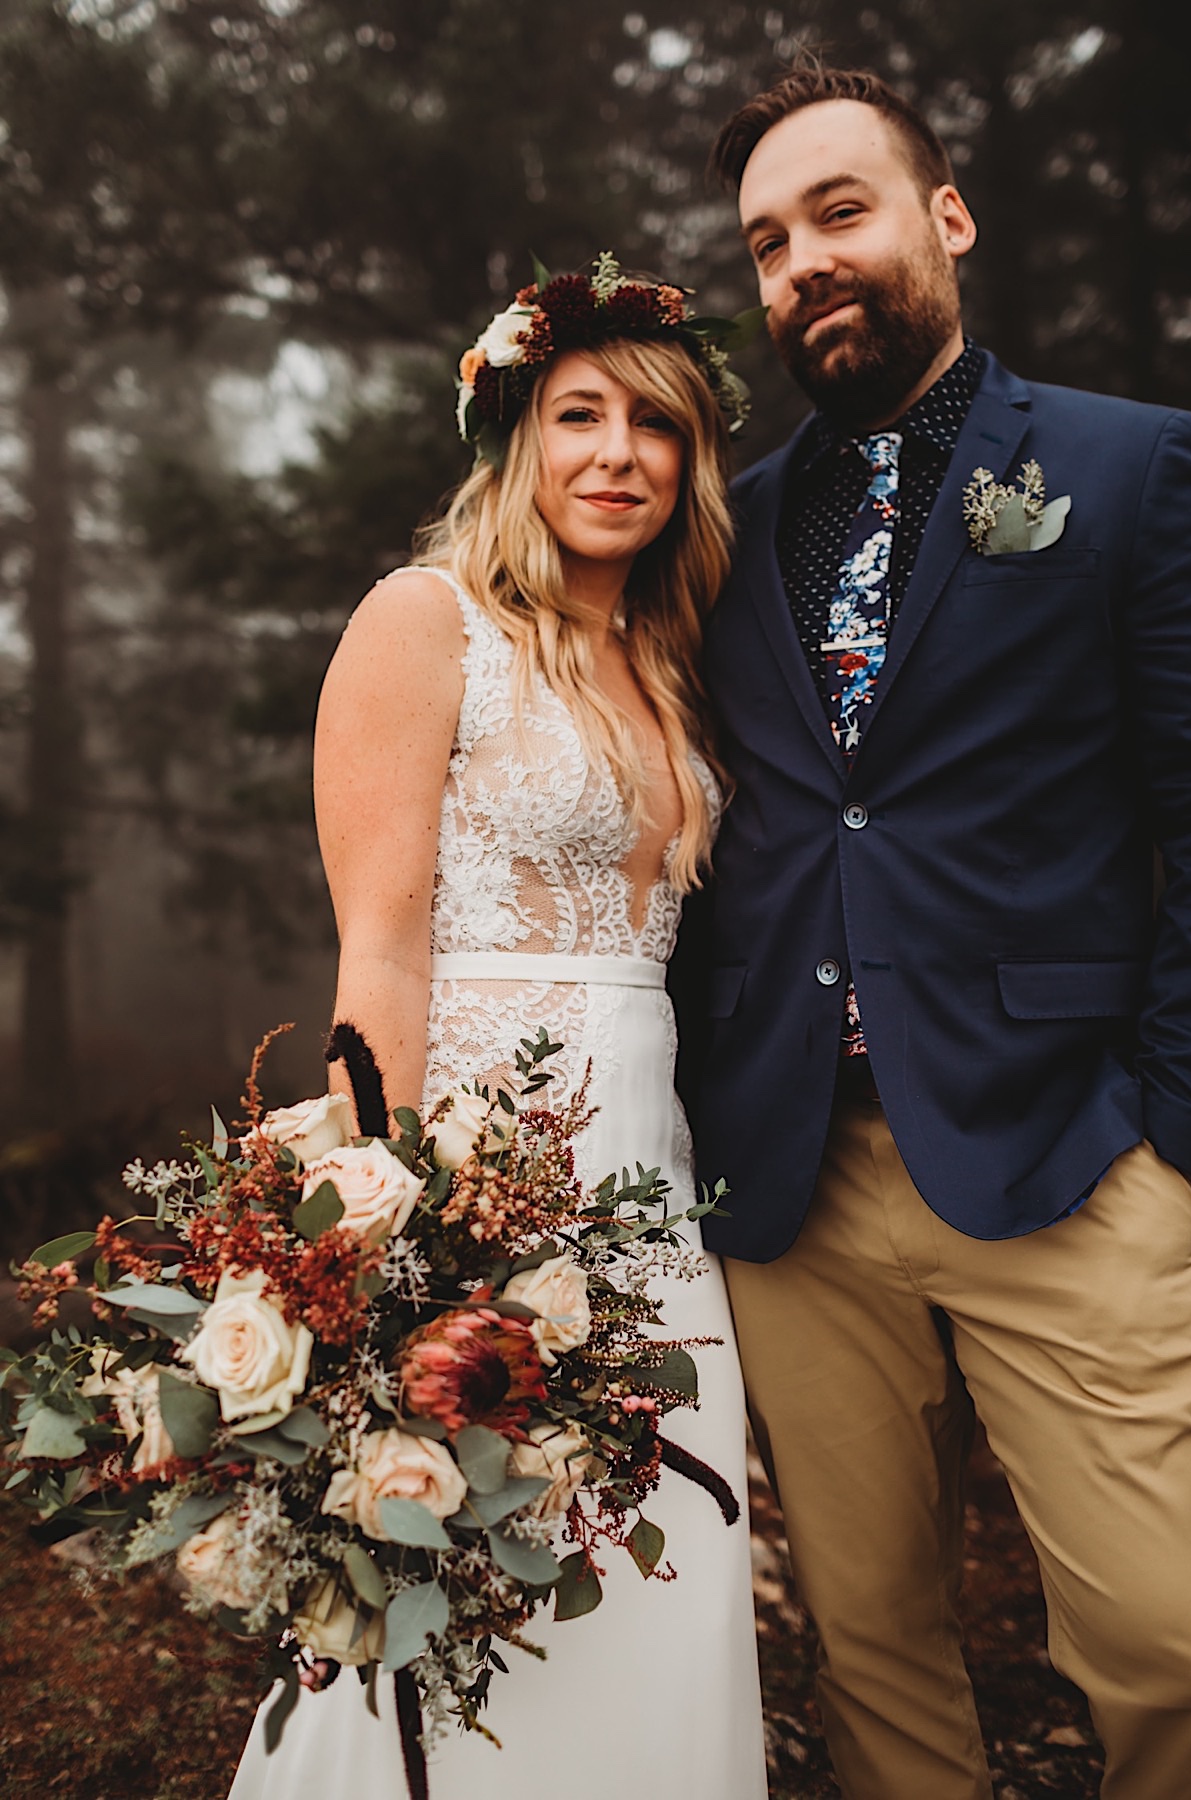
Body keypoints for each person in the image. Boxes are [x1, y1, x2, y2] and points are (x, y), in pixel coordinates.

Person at [673, 53, 1191, 1800]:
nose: (803, 262)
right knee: (869, 1642)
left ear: (945, 216)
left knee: (1173, 1633)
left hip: (1068, 1149)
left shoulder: (1129, 471)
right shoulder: (716, 535)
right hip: (798, 1176)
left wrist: (1175, 1136)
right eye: (767, 242)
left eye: (841, 210)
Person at [227, 257, 768, 1800]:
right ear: (513, 436)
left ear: (692, 459)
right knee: (460, 1552)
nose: (619, 454)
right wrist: (384, 1237)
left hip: (652, 1191)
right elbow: (380, 950)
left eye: (656, 426)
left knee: (655, 1550)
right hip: (483, 1162)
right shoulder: (424, 622)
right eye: (578, 414)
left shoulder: (676, 661)